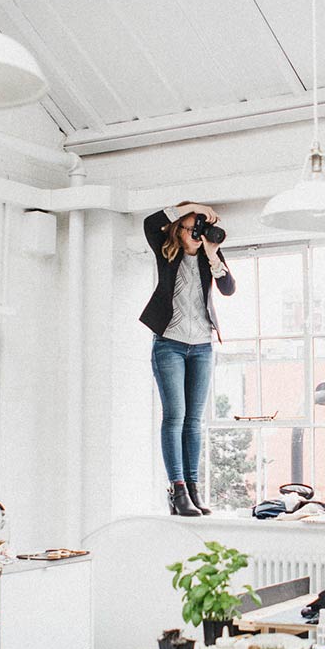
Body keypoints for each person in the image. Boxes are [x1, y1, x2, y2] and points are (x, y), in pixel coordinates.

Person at [140, 201, 235, 517]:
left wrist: (212, 252)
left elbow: (229, 289)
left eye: (200, 228)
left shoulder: (210, 258)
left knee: (195, 420)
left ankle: (193, 489)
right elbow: (151, 221)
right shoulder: (166, 254)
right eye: (191, 227)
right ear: (178, 230)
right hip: (170, 344)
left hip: (202, 346)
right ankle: (177, 490)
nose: (196, 233)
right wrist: (193, 206)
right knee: (175, 415)